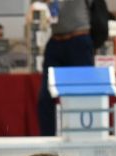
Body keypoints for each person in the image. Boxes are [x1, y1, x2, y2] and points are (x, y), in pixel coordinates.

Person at [36, 0, 94, 136]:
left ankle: (85, 134)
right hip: (56, 41)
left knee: (84, 94)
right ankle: (48, 139)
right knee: (45, 96)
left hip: (79, 39)